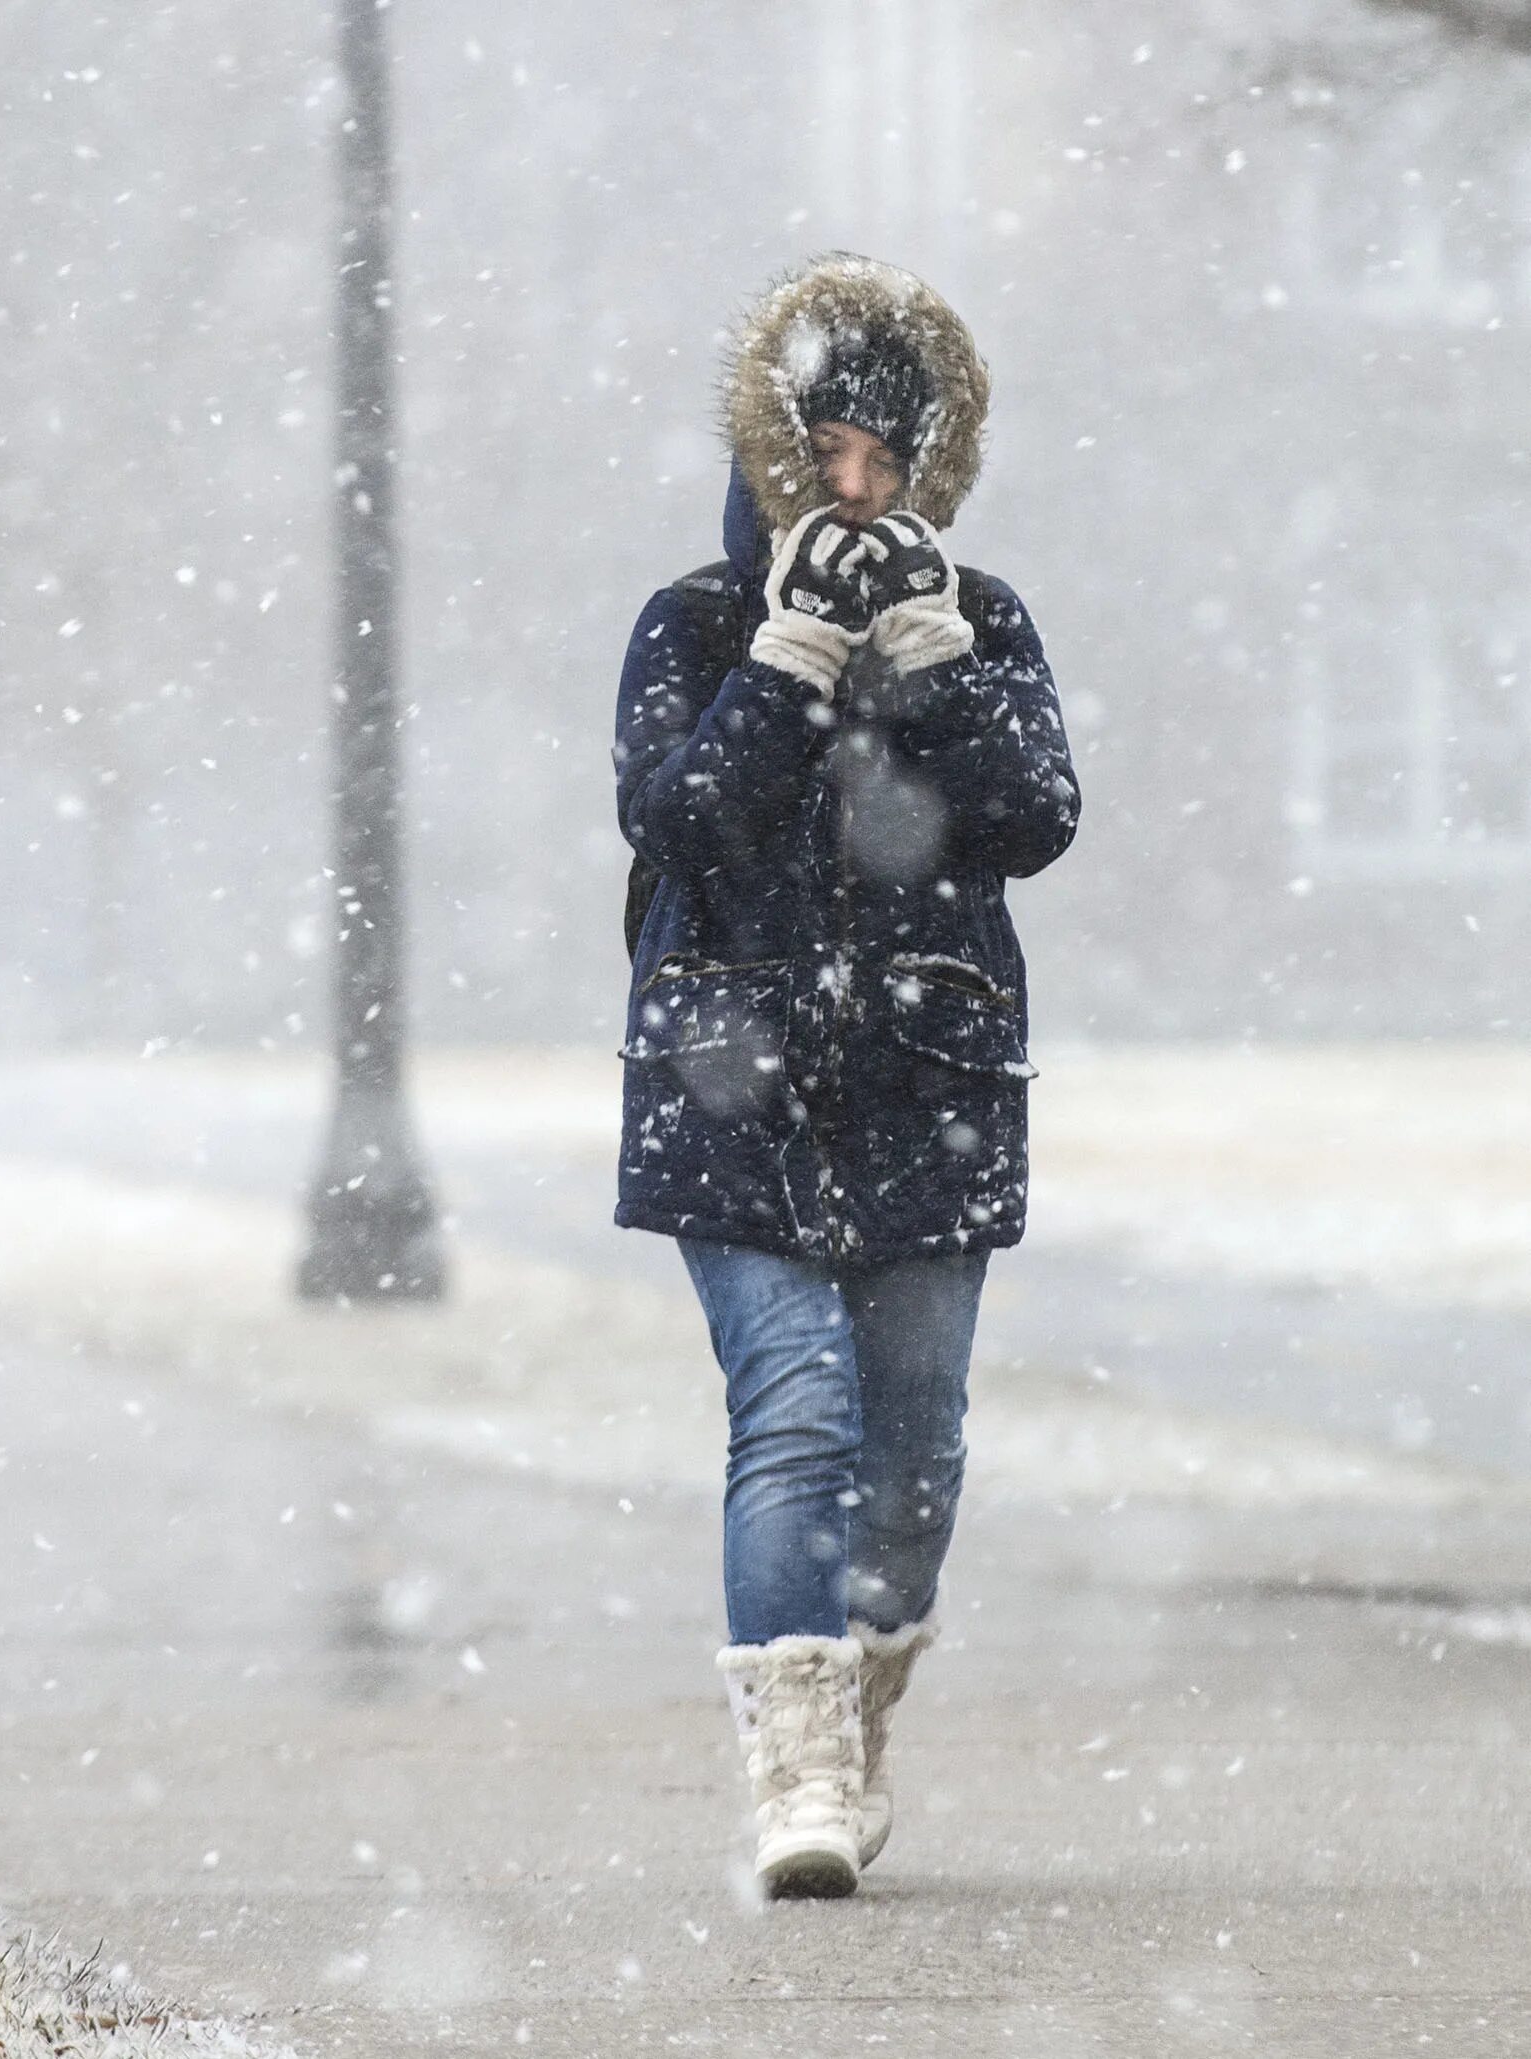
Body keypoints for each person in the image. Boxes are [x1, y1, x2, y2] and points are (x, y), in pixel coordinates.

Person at [612, 255, 1079, 1897]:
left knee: (915, 1456)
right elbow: (679, 820)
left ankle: (852, 1705)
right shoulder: (689, 621)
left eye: (886, 458)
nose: (855, 488)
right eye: (827, 453)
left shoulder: (986, 617)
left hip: (927, 1078)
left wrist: (932, 657)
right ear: (774, 449)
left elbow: (1033, 816)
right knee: (793, 1405)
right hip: (729, 1075)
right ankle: (795, 1771)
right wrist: (792, 654)